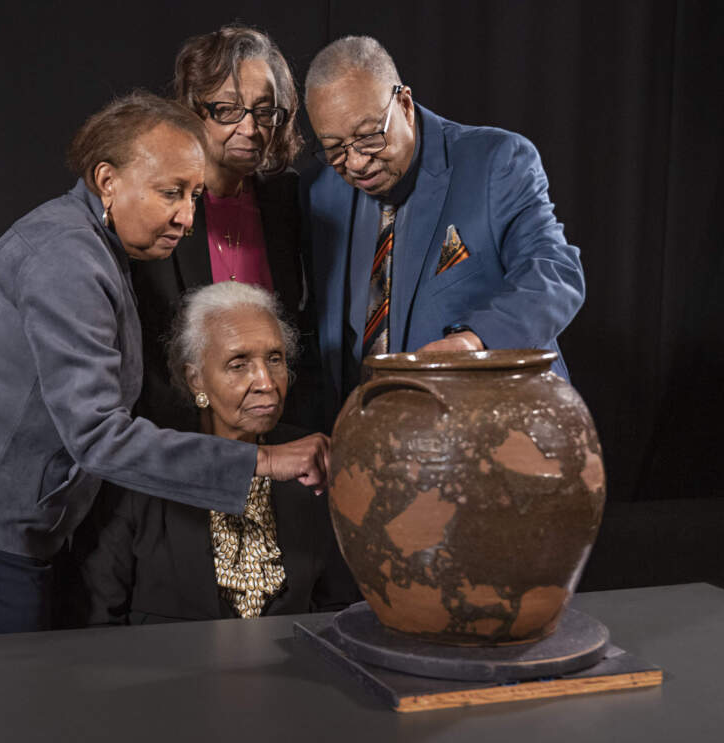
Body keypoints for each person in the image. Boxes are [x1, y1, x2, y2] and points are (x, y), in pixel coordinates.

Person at [0, 92, 330, 638]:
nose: (187, 218)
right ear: (107, 181)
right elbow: (97, 436)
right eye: (171, 193)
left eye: (193, 195)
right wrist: (266, 462)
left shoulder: (97, 245)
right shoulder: (67, 259)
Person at [302, 36, 585, 425]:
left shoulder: (496, 161)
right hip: (372, 445)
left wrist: (473, 342)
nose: (355, 162)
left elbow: (555, 274)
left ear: (403, 104)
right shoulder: (320, 192)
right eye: (334, 147)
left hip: (497, 436)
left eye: (369, 136)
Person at [76, 282, 358, 624]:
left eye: (275, 359)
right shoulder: (144, 465)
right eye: (239, 364)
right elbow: (98, 620)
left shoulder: (313, 460)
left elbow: (339, 607)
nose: (266, 382)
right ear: (196, 380)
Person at [131, 25, 319, 433]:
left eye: (265, 110)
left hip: (273, 431)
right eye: (228, 110)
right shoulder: (157, 205)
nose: (251, 129)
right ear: (194, 110)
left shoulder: (288, 199)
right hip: (176, 439)